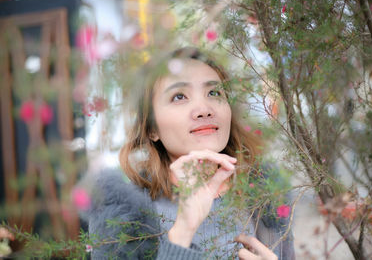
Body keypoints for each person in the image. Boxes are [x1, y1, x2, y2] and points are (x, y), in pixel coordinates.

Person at [84, 48, 295, 259]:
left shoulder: (266, 196)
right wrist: (183, 231)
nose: (204, 109)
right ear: (152, 129)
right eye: (179, 96)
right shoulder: (121, 213)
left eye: (214, 93)